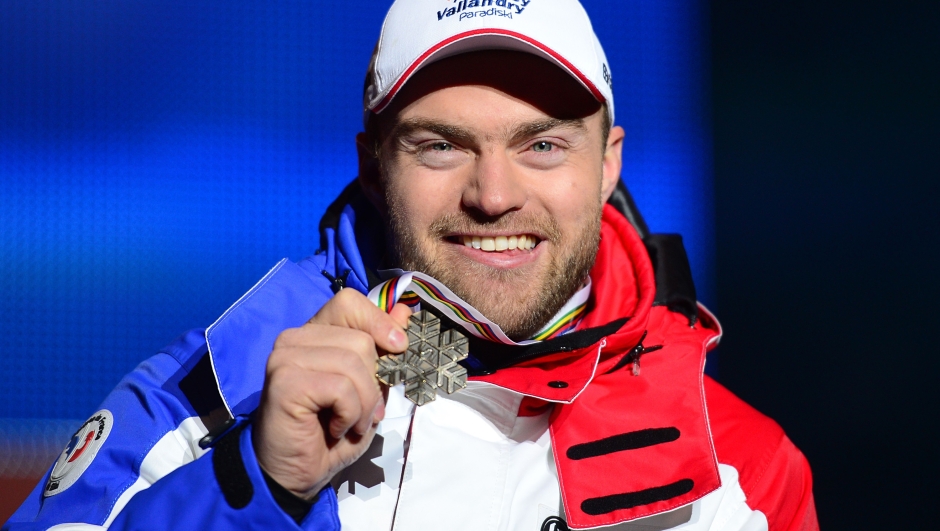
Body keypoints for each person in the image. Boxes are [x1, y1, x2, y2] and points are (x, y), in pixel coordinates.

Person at [4, 0, 819, 530]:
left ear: (607, 163)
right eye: (440, 145)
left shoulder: (744, 468)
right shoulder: (224, 387)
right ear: (372, 163)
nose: (494, 195)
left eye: (542, 144)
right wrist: (259, 486)